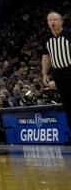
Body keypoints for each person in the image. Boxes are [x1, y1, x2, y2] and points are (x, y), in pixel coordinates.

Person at [43, 10, 71, 139]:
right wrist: (44, 73)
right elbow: (46, 56)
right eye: (50, 20)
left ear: (61, 21)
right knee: (67, 106)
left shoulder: (69, 35)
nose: (52, 22)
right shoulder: (47, 39)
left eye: (55, 19)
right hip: (58, 74)